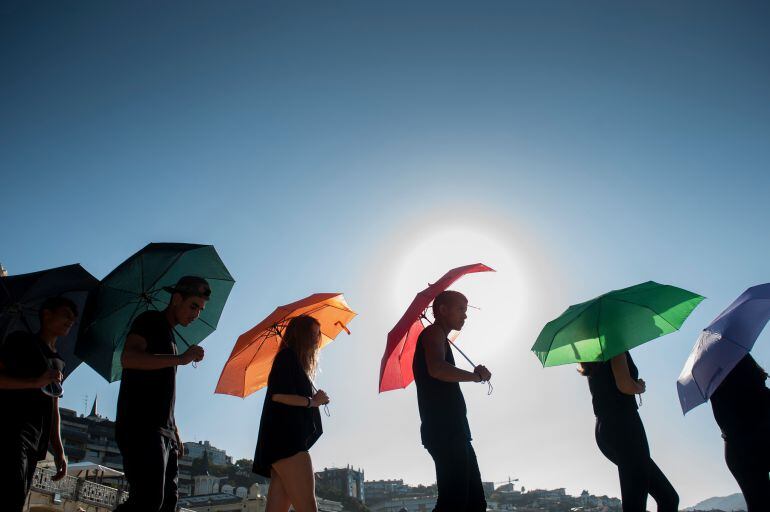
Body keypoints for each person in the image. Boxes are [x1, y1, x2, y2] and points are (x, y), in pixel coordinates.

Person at [114, 276, 209, 512]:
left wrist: (174, 429)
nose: (196, 314)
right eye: (193, 306)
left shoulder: (171, 337)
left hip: (165, 431)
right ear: (177, 299)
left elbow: (162, 390)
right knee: (147, 500)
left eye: (200, 309)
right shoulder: (149, 320)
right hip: (141, 426)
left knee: (167, 503)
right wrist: (181, 359)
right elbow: (128, 358)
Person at [412, 290, 492, 512]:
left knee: (475, 503)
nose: (465, 316)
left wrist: (474, 374)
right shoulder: (433, 333)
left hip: (455, 430)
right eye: (461, 309)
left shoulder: (440, 337)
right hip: (444, 429)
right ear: (443, 310)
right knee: (453, 502)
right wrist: (475, 376)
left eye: (466, 311)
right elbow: (437, 369)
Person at [0, 296, 77, 512]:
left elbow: (54, 407)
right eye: (66, 314)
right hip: (12, 428)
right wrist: (35, 381)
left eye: (74, 318)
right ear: (46, 314)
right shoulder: (21, 342)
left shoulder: (59, 361)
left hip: (37, 439)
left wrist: (59, 449)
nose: (71, 321)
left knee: (18, 497)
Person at [579, 352, 678, 512]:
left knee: (668, 497)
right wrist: (639, 386)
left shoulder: (594, 352)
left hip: (605, 428)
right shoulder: (614, 342)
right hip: (624, 427)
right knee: (651, 502)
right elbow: (625, 385)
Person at [253, 315, 330, 512]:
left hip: (280, 444)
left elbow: (288, 396)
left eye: (317, 334)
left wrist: (314, 400)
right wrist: (312, 401)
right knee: (308, 507)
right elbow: (279, 396)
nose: (316, 338)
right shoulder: (287, 357)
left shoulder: (292, 361)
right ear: (301, 334)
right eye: (312, 333)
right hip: (289, 443)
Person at [709, 354, 770, 512]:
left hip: (736, 451)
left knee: (758, 503)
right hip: (753, 444)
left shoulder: (712, 380)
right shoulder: (740, 361)